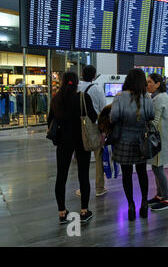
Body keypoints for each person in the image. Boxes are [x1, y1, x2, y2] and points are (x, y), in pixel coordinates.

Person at [48, 71, 97, 224]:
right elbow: (93, 117)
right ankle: (84, 211)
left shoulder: (56, 99)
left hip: (63, 141)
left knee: (61, 176)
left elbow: (50, 120)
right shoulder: (83, 97)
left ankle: (62, 212)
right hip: (82, 141)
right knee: (83, 175)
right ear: (77, 82)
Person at [110, 68, 154, 221]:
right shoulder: (147, 97)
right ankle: (144, 203)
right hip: (142, 140)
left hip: (123, 140)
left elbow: (113, 117)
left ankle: (130, 205)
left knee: (127, 174)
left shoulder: (120, 97)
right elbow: (151, 116)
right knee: (142, 173)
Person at [76, 65, 107, 197]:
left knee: (82, 159)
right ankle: (99, 188)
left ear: (82, 74)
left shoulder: (77, 88)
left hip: (79, 127)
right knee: (98, 157)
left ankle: (83, 188)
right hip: (95, 127)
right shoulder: (97, 89)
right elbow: (103, 109)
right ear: (94, 76)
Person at [146, 73, 168, 211]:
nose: (147, 84)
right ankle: (159, 195)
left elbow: (154, 122)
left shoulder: (159, 98)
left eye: (150, 82)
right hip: (161, 139)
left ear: (157, 84)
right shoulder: (158, 97)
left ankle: (167, 199)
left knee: (158, 168)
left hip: (159, 140)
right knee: (156, 167)